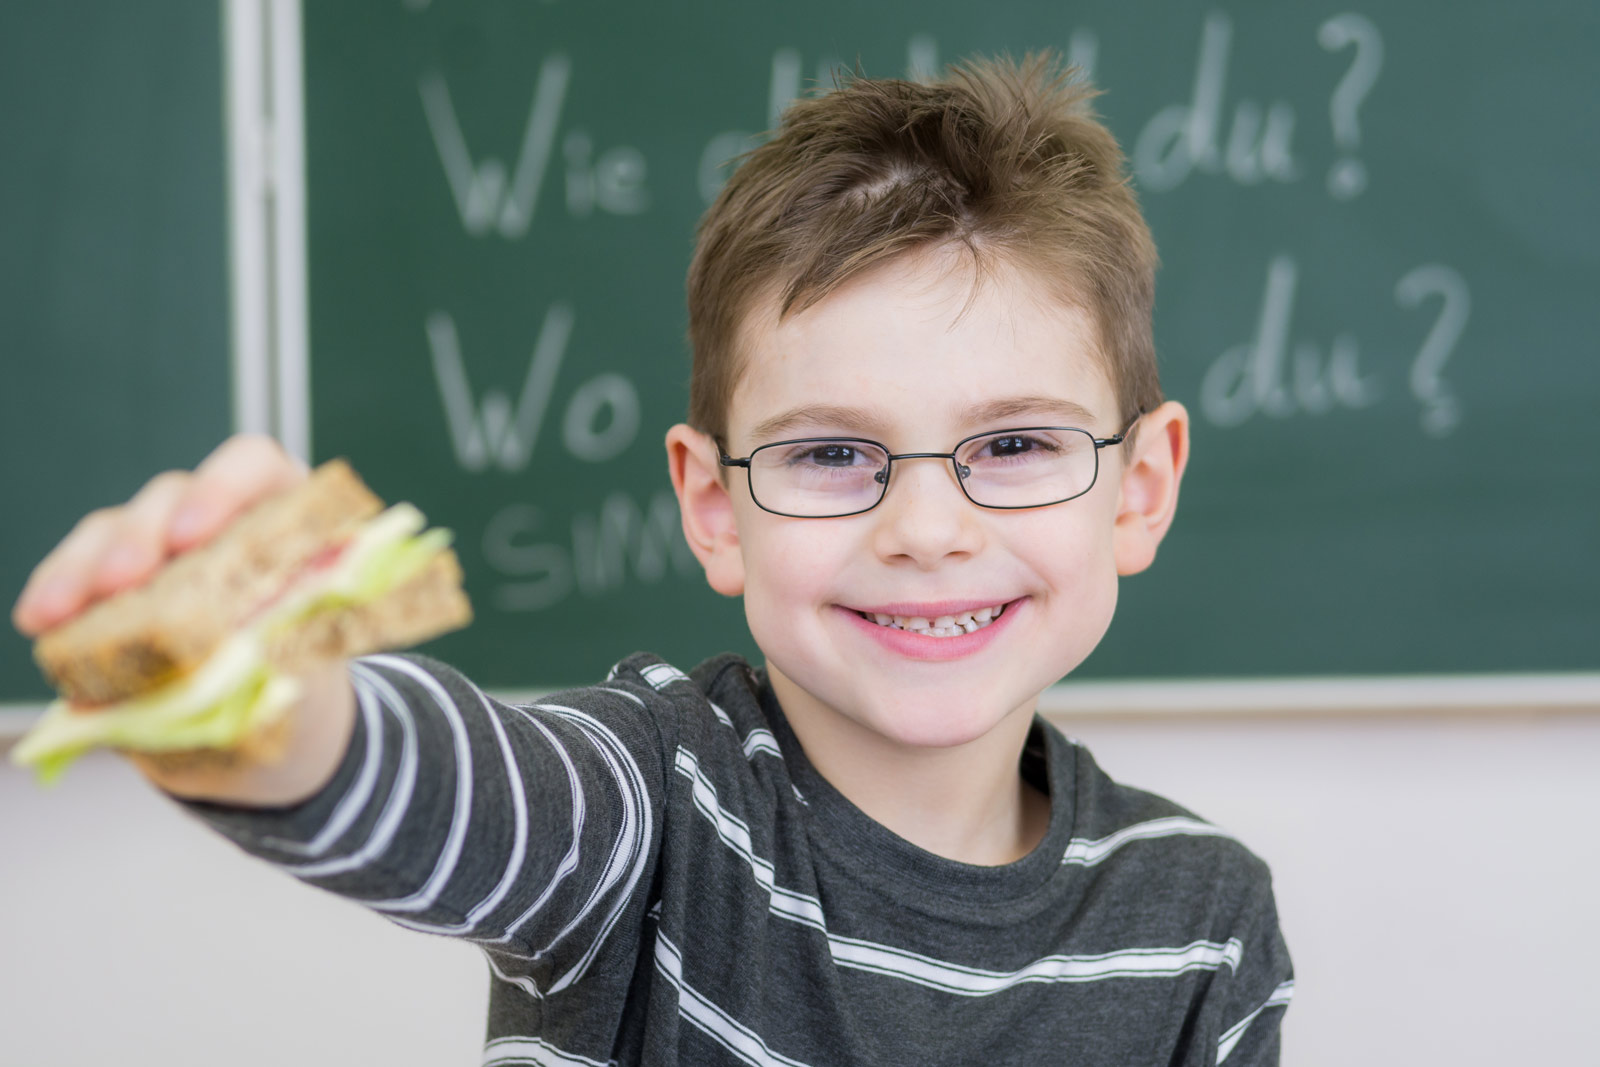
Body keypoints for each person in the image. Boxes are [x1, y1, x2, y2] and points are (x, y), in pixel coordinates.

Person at [12, 54, 1292, 1066]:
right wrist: (265, 705)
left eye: (1011, 442)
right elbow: (452, 793)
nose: (925, 527)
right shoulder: (646, 806)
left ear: (1141, 486)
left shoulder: (1200, 914)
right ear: (714, 507)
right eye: (832, 455)